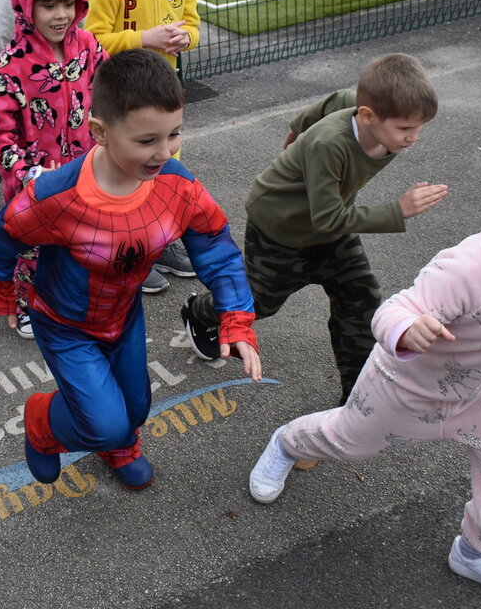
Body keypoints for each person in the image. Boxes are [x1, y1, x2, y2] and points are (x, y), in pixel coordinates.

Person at [248, 99, 481, 603]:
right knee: (346, 439)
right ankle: (287, 443)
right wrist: (409, 329)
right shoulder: (478, 264)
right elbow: (393, 310)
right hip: (403, 388)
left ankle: (475, 553)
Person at [0, 48, 262, 490]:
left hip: (122, 318)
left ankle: (119, 444)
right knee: (104, 421)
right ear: (100, 132)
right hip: (65, 323)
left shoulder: (177, 185)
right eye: (147, 141)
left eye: (175, 134)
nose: (164, 152)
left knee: (136, 408)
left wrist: (236, 319)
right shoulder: (57, 195)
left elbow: (218, 250)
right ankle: (44, 422)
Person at [180, 53, 448, 402]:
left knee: (361, 297)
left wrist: (297, 126)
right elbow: (328, 218)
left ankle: (359, 397)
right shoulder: (329, 144)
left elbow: (338, 98)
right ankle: (199, 311)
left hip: (329, 229)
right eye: (405, 129)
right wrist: (397, 211)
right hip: (281, 228)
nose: (414, 137)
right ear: (368, 117)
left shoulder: (364, 108)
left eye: (418, 127)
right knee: (259, 303)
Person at [0, 0, 107, 339]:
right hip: (33, 183)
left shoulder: (87, 47)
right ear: (26, 5)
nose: (61, 14)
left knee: (84, 241)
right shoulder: (11, 64)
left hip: (85, 173)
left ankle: (77, 297)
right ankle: (26, 303)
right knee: (31, 249)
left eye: (68, 3)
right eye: (49, 5)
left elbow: (109, 94)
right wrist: (27, 172)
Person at [82, 0, 201, 294]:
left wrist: (187, 35)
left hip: (163, 95)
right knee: (126, 174)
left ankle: (158, 243)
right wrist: (142, 39)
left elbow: (192, 22)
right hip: (124, 99)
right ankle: (128, 252)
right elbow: (92, 39)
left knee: (162, 170)